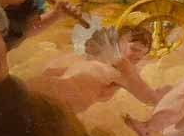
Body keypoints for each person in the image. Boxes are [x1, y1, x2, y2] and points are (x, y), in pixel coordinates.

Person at [29, 24, 165, 113]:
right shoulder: (121, 65)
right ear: (118, 43)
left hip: (53, 91)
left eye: (142, 54)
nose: (137, 57)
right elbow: (150, 99)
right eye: (134, 49)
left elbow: (54, 72)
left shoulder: (99, 62)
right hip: (60, 98)